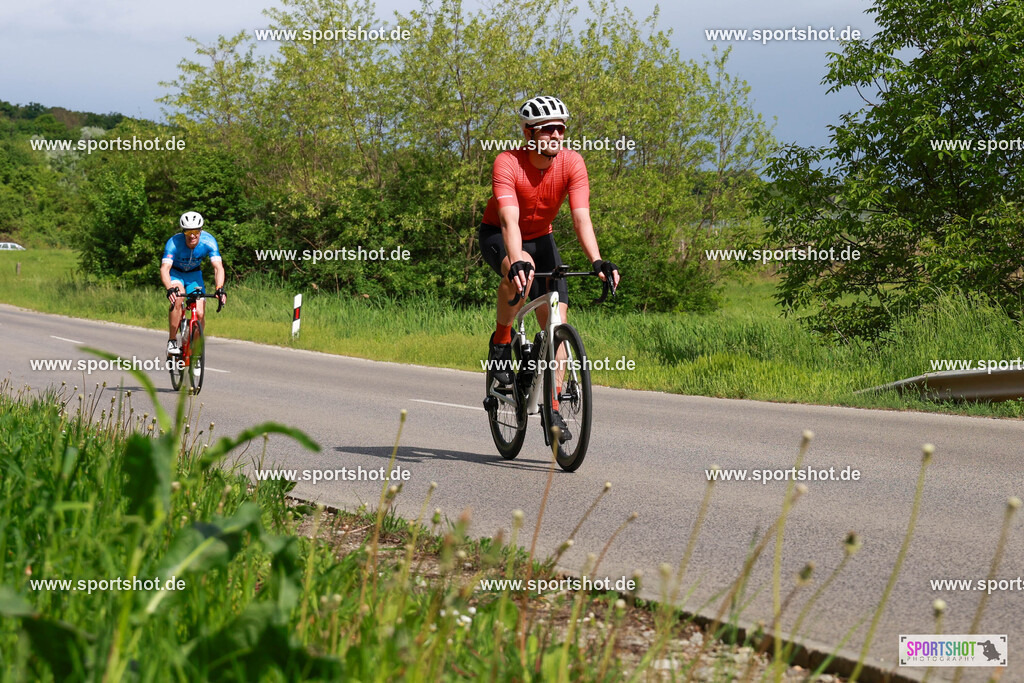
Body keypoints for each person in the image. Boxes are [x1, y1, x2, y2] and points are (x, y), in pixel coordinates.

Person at [479, 95, 620, 441]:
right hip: (500, 234)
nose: (557, 135)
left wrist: (597, 260)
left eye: (561, 128)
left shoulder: (572, 163)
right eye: (548, 129)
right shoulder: (507, 162)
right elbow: (509, 220)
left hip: (543, 238)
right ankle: (501, 343)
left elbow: (581, 217)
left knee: (558, 324)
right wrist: (515, 260)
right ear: (529, 133)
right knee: (521, 271)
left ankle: (552, 410)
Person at [161, 211, 226, 355]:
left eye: (196, 231)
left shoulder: (209, 241)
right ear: (183, 231)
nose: (192, 235)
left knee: (200, 313)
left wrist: (219, 288)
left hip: (194, 275)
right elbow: (165, 268)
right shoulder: (173, 243)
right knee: (178, 298)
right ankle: (172, 341)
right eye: (188, 232)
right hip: (176, 274)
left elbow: (218, 267)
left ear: (201, 230)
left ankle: (195, 349)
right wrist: (169, 288)